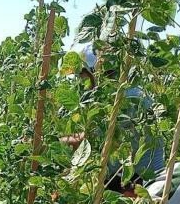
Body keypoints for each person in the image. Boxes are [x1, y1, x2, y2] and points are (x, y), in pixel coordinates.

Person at [59, 43, 165, 182]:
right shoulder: (125, 90)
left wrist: (52, 144)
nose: (80, 81)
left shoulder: (125, 97)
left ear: (96, 71)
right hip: (130, 175)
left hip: (142, 180)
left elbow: (87, 142)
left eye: (82, 75)